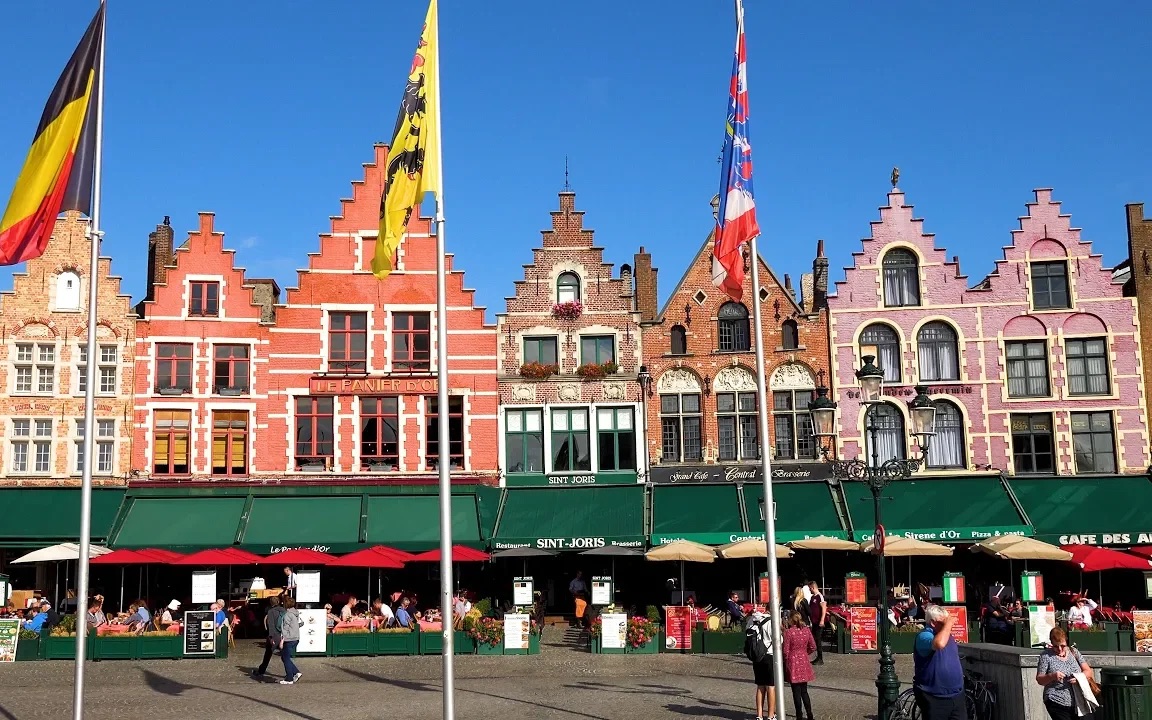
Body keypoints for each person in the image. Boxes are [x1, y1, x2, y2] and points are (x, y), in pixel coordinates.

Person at [913, 605, 965, 720]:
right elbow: (939, 644)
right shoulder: (924, 636)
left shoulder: (944, 634)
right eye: (943, 622)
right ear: (932, 623)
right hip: (934, 697)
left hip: (956, 695)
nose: (948, 626)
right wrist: (949, 624)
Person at [1036, 627, 1097, 719]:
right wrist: (1052, 676)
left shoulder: (1074, 652)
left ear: (1066, 641)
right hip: (1056, 700)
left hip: (1078, 700)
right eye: (1055, 646)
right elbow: (1040, 679)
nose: (1060, 649)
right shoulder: (1046, 656)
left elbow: (1088, 671)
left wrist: (1079, 678)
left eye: (1063, 645)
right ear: (1051, 644)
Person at [782, 611, 817, 720]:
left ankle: (799, 715)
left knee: (796, 691)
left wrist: (785, 660)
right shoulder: (806, 630)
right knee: (804, 691)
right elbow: (813, 646)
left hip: (793, 662)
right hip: (804, 660)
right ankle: (810, 714)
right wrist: (805, 653)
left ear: (791, 619)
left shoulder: (789, 632)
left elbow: (785, 651)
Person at [746, 609, 777, 720]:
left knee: (760, 686)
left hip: (756, 656)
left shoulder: (751, 620)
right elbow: (778, 639)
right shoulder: (770, 621)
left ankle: (759, 715)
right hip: (769, 655)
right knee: (771, 687)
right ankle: (771, 715)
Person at [252, 596, 284, 679]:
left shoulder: (271, 611)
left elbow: (271, 625)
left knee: (268, 654)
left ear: (271, 603)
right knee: (285, 655)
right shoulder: (284, 610)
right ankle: (293, 672)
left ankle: (261, 671)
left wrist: (271, 637)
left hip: (275, 635)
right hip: (284, 635)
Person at [278, 596, 303, 685]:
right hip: (296, 638)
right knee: (285, 657)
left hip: (289, 639)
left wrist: (282, 641)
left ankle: (289, 678)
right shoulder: (296, 613)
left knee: (285, 658)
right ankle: (295, 672)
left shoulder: (288, 615)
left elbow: (285, 629)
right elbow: (300, 623)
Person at [806, 581, 826, 665]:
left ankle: (820, 658)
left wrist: (822, 620)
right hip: (813, 622)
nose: (809, 590)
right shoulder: (812, 597)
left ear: (813, 587)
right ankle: (817, 657)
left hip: (818, 622)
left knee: (818, 640)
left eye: (810, 588)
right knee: (814, 639)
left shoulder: (820, 596)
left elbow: (824, 608)